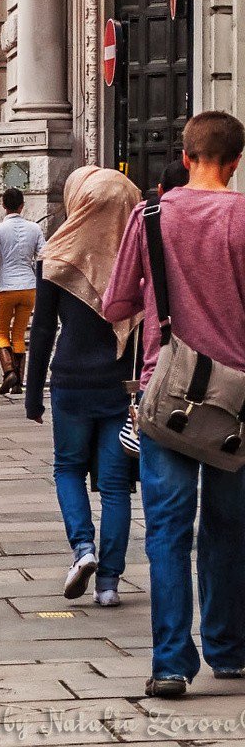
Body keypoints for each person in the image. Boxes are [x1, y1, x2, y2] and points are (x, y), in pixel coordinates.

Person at [102, 111, 245, 699]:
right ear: (235, 163)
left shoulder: (151, 216)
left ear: (185, 158)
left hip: (166, 395)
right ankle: (228, 648)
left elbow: (115, 304)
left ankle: (170, 663)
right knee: (229, 527)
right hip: (237, 402)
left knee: (166, 528)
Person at [24, 166, 141, 609]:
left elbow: (42, 330)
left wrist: (32, 393)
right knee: (115, 486)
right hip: (120, 384)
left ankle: (83, 548)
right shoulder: (138, 258)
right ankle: (109, 583)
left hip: (71, 381)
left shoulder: (56, 255)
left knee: (68, 468)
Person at [0, 186, 45, 397]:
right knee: (19, 334)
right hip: (28, 287)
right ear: (22, 205)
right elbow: (42, 256)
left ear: (3, 205)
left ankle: (9, 371)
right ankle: (19, 382)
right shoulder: (34, 229)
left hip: (5, 287)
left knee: (2, 333)